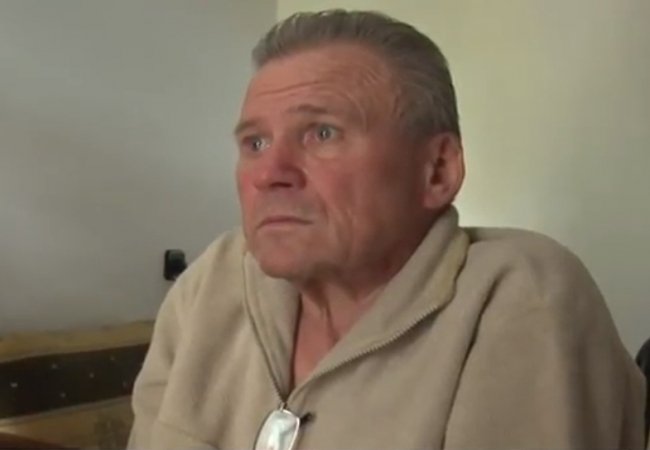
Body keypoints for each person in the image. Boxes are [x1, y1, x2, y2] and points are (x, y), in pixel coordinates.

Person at [128, 9, 645, 450]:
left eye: (322, 133)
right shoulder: (210, 284)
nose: (269, 174)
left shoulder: (522, 295)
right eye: (255, 143)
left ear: (437, 170)